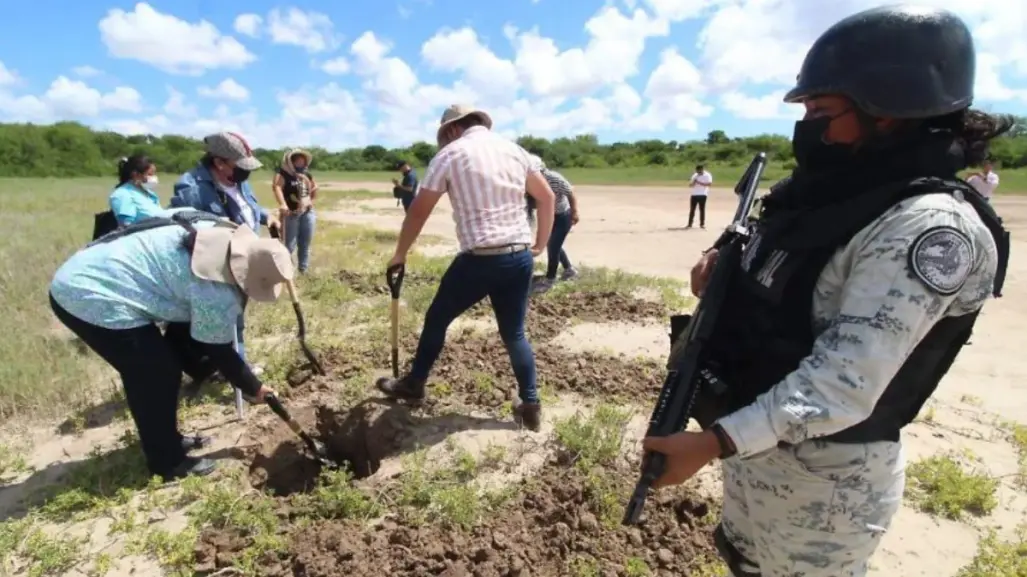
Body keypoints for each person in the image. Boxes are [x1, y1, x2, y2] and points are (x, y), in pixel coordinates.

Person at [639, 6, 1009, 577]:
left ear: (888, 112)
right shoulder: (829, 195)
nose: (808, 127)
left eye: (822, 111)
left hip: (824, 495)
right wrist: (723, 273)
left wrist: (712, 444)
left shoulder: (926, 227)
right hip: (758, 458)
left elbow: (844, 384)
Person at [49, 211, 290, 480]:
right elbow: (217, 349)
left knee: (164, 362)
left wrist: (240, 382)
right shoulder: (216, 290)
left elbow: (189, 334)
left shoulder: (220, 230)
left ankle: (169, 439)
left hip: (94, 266)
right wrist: (253, 387)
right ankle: (167, 462)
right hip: (90, 293)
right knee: (156, 373)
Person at [375, 105, 555, 431]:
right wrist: (540, 243)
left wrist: (400, 253)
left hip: (480, 258)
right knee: (514, 333)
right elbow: (547, 198)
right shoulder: (514, 150)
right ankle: (530, 404)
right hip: (518, 256)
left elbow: (419, 211)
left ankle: (414, 383)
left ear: (452, 129)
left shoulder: (451, 154)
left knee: (437, 319)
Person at [170, 132, 280, 370]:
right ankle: (234, 369)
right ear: (219, 162)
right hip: (217, 265)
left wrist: (265, 216)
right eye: (239, 166)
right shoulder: (191, 188)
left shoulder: (236, 180)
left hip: (244, 258)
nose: (244, 172)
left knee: (236, 314)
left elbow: (246, 205)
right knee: (227, 318)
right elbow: (182, 227)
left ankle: (234, 363)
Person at [531, 155, 579, 292]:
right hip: (551, 215)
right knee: (553, 244)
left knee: (553, 246)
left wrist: (575, 212)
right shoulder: (532, 182)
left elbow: (570, 192)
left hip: (563, 216)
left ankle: (550, 279)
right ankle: (569, 270)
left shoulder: (553, 178)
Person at [272, 149, 317, 274]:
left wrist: (311, 201)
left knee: (305, 242)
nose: (300, 164)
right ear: (290, 162)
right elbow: (277, 187)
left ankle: (303, 269)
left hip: (307, 213)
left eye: (302, 161)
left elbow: (314, 188)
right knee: (288, 245)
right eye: (297, 161)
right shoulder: (283, 174)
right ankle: (285, 272)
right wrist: (282, 204)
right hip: (291, 214)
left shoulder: (306, 174)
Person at [110, 155, 163, 227]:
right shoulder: (122, 194)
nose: (153, 177)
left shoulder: (149, 193)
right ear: (135, 174)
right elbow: (126, 226)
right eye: (150, 174)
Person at [687, 164, 712, 229]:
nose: (698, 172)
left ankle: (702, 224)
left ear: (702, 169)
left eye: (699, 171)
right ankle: (690, 224)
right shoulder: (695, 175)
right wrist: (693, 183)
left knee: (702, 210)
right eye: (697, 171)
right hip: (694, 194)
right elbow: (690, 185)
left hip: (703, 194)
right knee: (692, 210)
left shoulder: (707, 175)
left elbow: (709, 184)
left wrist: (699, 182)